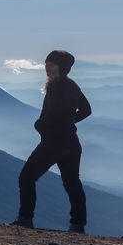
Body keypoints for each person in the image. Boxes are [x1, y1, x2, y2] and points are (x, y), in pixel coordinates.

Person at [12, 50, 91, 233]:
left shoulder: (57, 87)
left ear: (61, 67)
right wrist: (70, 122)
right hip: (71, 143)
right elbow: (86, 110)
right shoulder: (72, 85)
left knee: (26, 178)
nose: (46, 66)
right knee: (72, 183)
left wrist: (40, 125)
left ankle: (25, 219)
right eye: (46, 63)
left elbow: (55, 115)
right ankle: (78, 225)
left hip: (53, 143)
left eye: (51, 63)